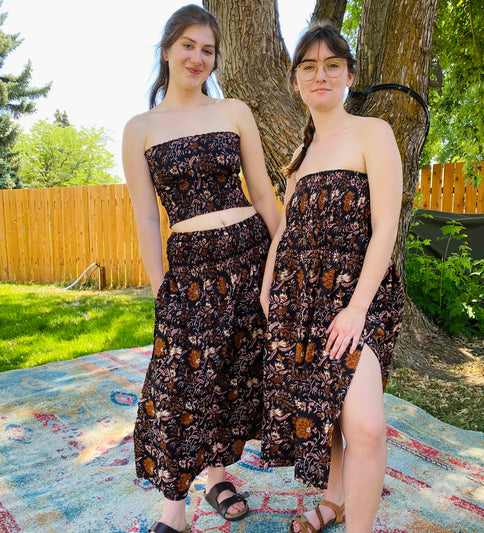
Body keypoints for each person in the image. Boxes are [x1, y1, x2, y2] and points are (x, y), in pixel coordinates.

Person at [122, 5, 280, 533]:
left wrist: (283, 254)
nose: (197, 57)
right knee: (181, 381)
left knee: (232, 371)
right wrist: (157, 282)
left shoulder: (234, 111)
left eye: (207, 49)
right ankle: (175, 510)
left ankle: (216, 477)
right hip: (190, 269)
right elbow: (146, 213)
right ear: (167, 49)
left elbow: (261, 192)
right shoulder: (139, 128)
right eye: (188, 45)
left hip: (248, 254)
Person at [260, 22, 405, 533]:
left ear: (348, 75)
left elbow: (387, 224)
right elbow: (287, 234)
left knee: (364, 425)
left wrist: (357, 308)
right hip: (299, 303)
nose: (320, 76)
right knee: (325, 414)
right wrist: (266, 290)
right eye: (309, 67)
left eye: (331, 66)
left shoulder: (374, 133)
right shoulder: (298, 159)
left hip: (359, 300)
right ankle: (334, 497)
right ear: (296, 78)